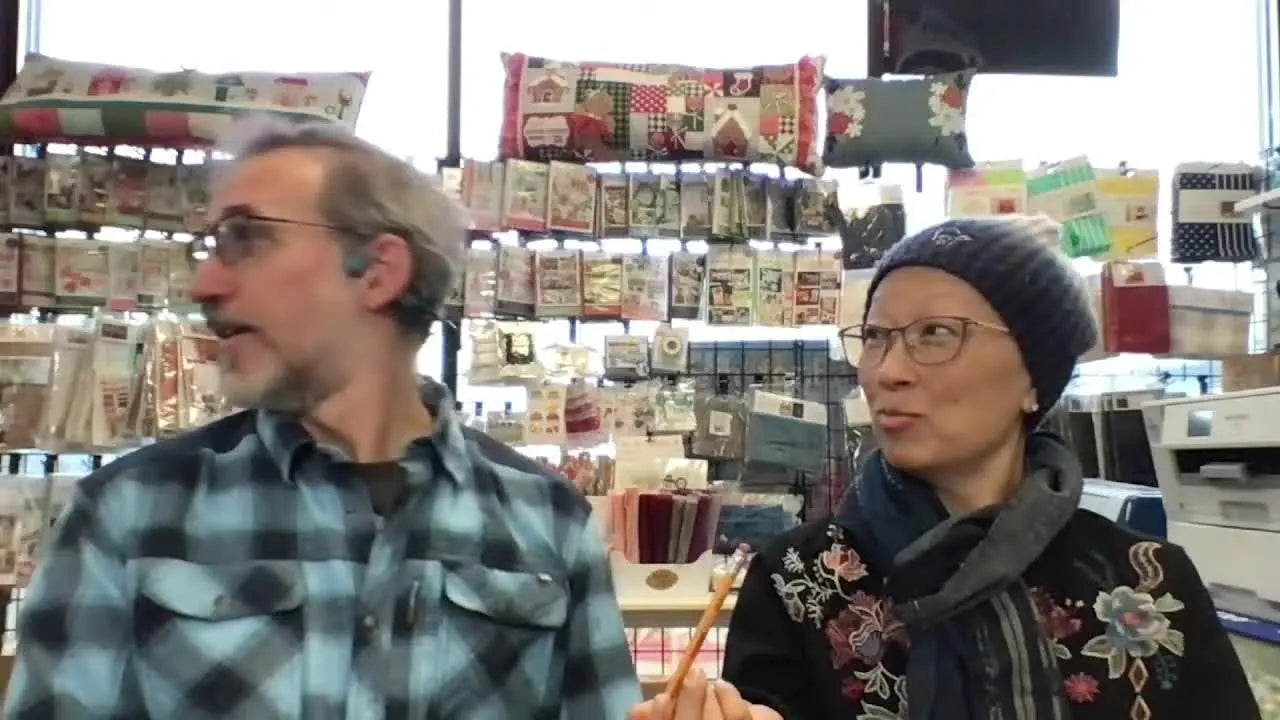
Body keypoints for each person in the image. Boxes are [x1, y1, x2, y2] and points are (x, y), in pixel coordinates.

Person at [3, 117, 641, 719]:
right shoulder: (130, 514)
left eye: (246, 238)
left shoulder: (549, 523)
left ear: (377, 272)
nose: (205, 285)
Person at [709, 217, 1257, 718]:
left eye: (936, 334)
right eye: (875, 337)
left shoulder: (1149, 582)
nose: (888, 371)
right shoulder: (798, 581)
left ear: (1033, 379)